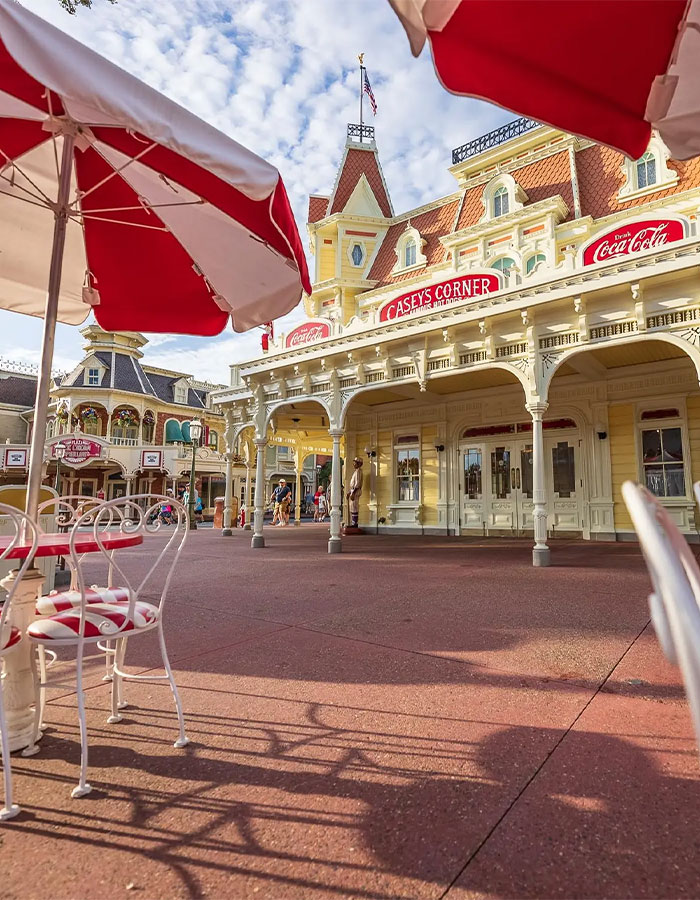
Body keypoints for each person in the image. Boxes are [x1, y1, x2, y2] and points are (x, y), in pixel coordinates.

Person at [346, 457, 364, 528]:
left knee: (354, 506)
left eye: (355, 462)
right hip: (353, 490)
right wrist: (350, 492)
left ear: (359, 464)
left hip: (356, 490)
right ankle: (353, 522)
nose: (354, 464)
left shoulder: (359, 471)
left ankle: (354, 523)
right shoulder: (356, 471)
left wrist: (353, 493)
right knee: (352, 506)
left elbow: (358, 483)